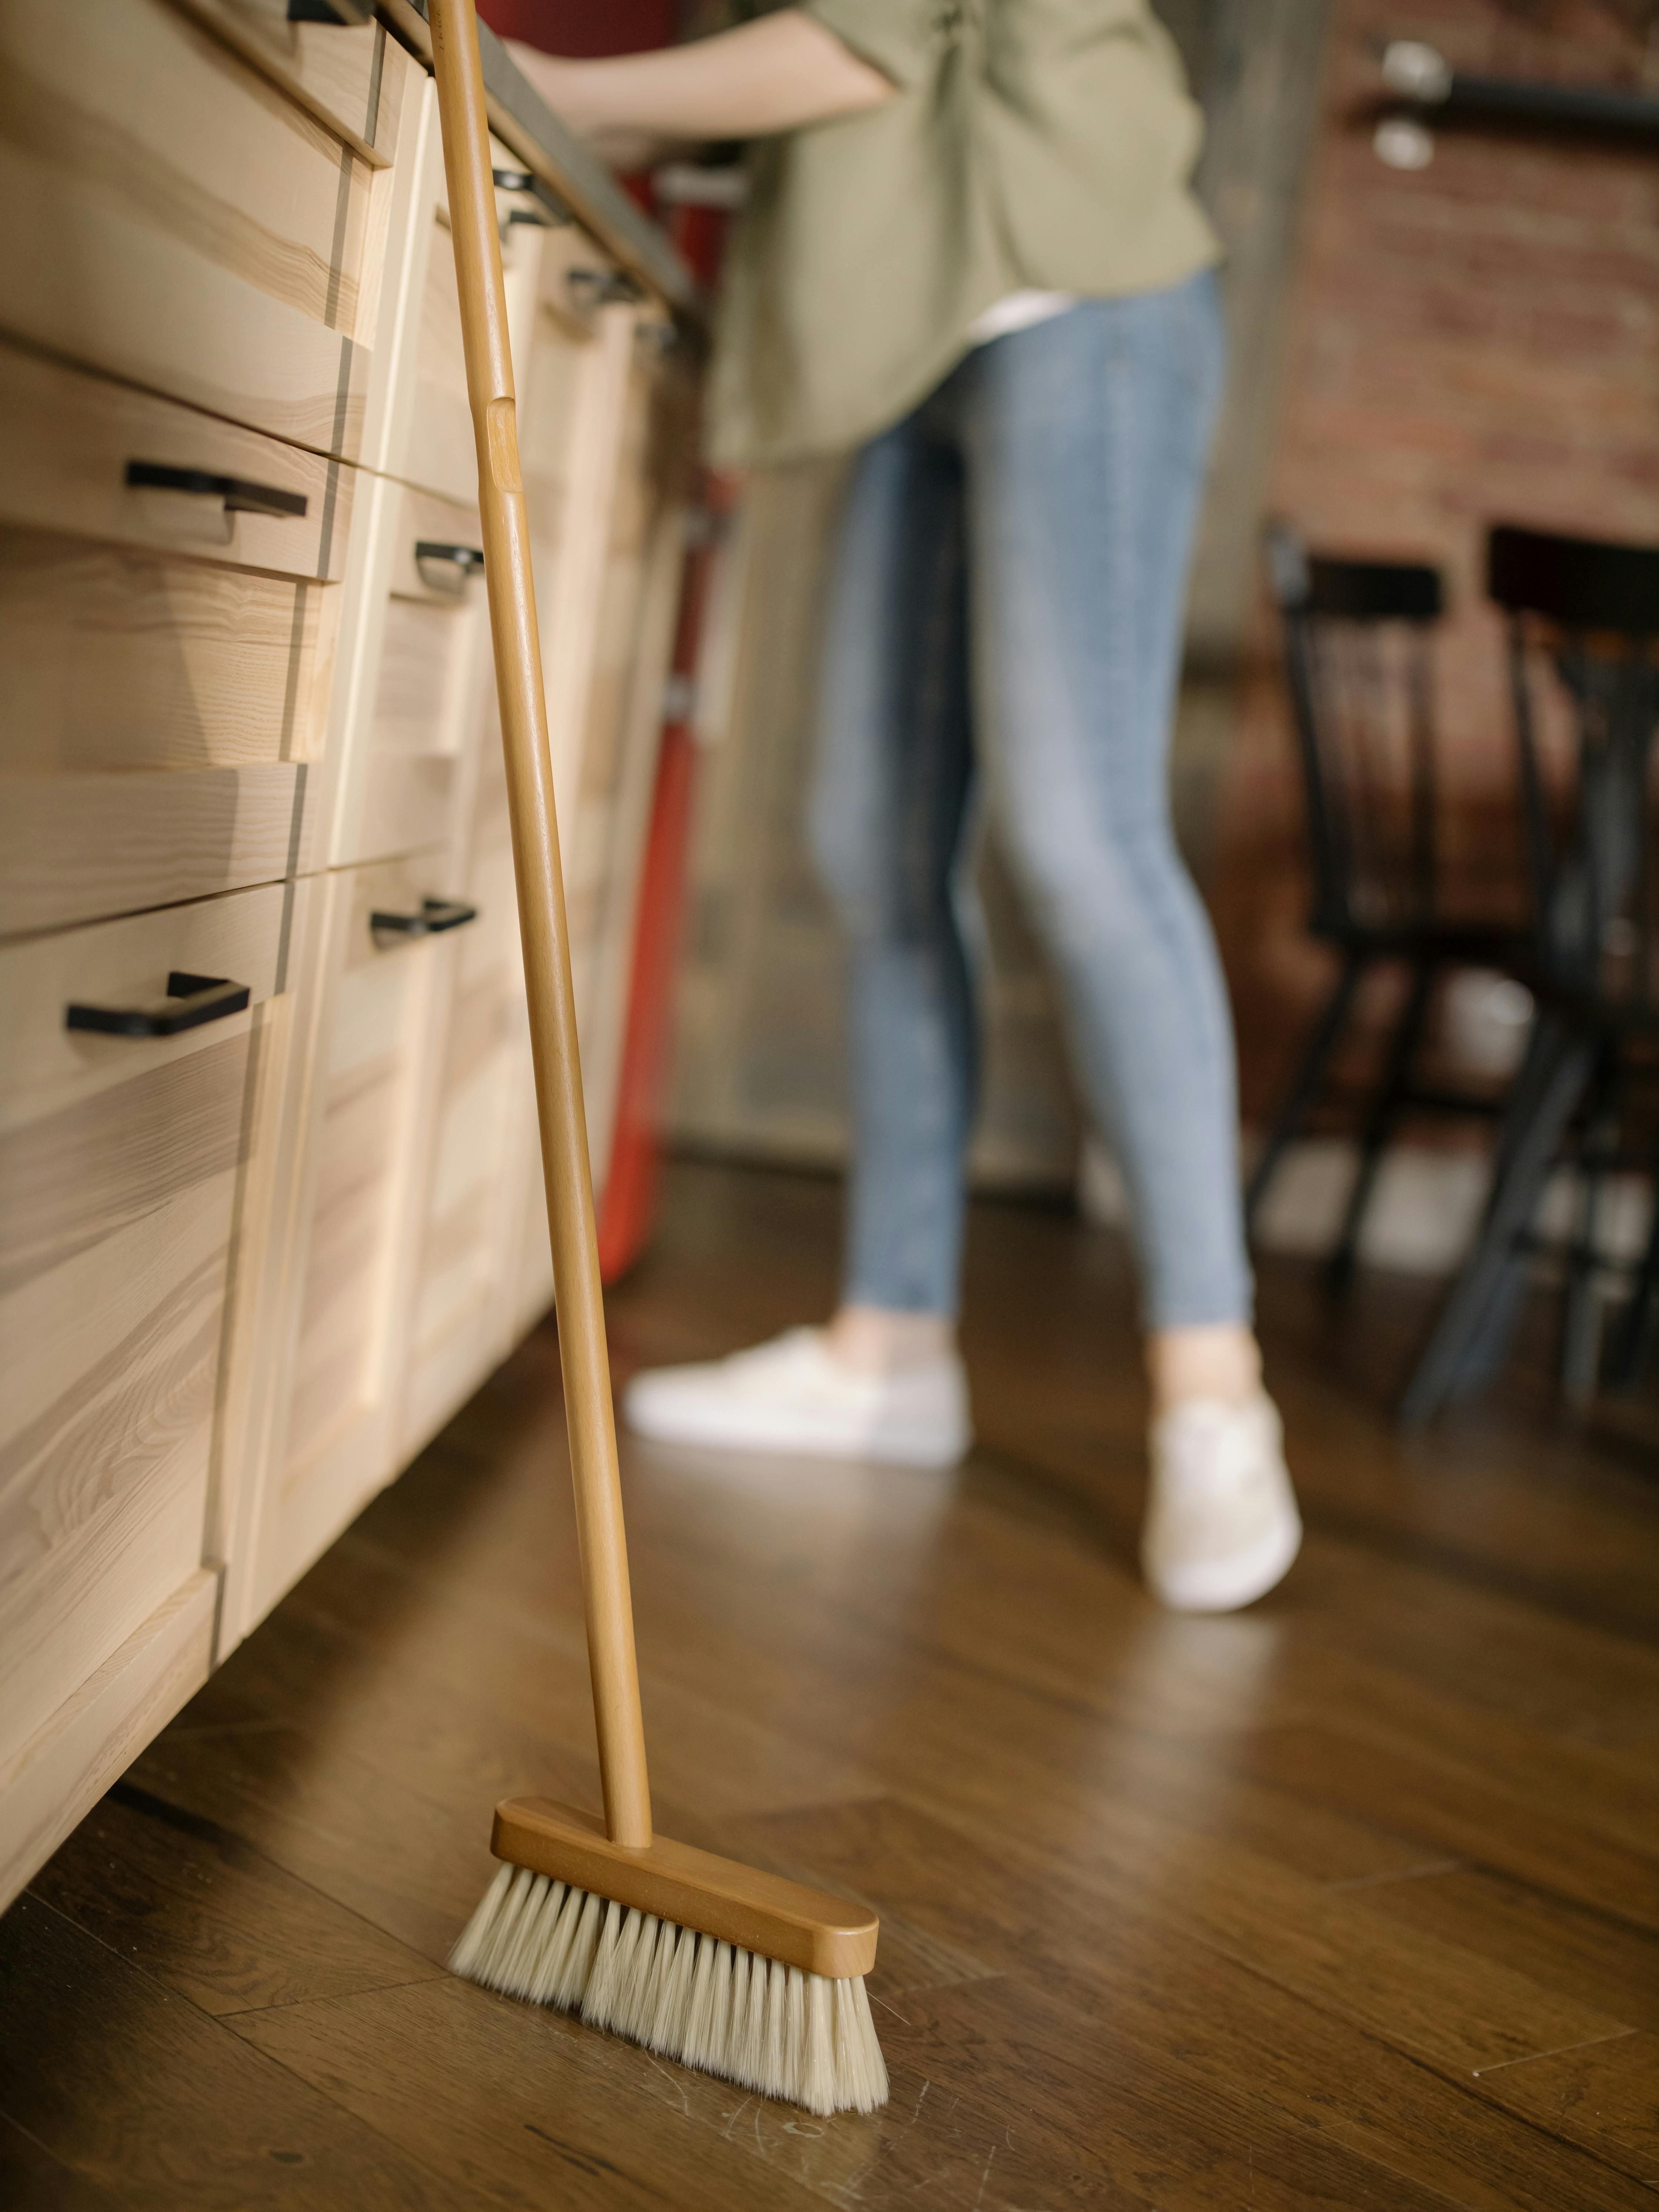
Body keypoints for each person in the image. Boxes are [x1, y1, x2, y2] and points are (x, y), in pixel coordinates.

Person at [508, 3, 1302, 1613]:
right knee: (868, 840)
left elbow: (868, 42)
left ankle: (1215, 1399)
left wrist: (562, 87)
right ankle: (890, 1349)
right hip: (915, 323)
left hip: (1078, 287)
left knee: (1082, 838)